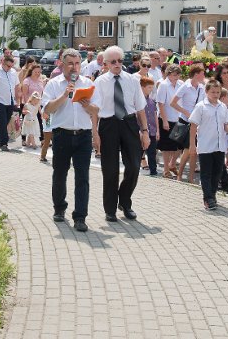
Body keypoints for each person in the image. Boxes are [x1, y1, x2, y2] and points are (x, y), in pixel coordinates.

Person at [42, 48, 99, 232]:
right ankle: (59, 208)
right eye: (70, 64)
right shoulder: (54, 83)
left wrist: (88, 106)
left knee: (83, 177)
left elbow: (97, 110)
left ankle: (80, 217)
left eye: (77, 64)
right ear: (62, 64)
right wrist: (65, 95)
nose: (74, 67)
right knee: (60, 174)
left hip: (83, 136)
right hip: (62, 135)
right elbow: (47, 109)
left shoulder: (88, 83)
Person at [90, 45, 149, 222]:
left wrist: (145, 131)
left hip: (129, 123)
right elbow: (95, 110)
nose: (117, 64)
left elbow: (140, 108)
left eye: (120, 61)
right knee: (110, 169)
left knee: (134, 166)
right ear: (106, 63)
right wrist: (95, 133)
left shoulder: (132, 80)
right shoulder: (100, 82)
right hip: (108, 125)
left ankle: (124, 201)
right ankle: (110, 209)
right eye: (113, 61)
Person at [189, 79, 228, 210]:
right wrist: (192, 144)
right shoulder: (201, 107)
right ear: (207, 92)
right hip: (206, 145)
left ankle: (212, 195)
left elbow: (225, 124)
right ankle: (207, 198)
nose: (215, 94)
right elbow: (193, 126)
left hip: (219, 146)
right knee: (206, 173)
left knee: (217, 172)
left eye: (218, 92)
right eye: (213, 92)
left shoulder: (222, 107)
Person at [170, 65, 206, 182]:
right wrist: (186, 112)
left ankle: (189, 177)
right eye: (202, 73)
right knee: (185, 149)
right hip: (185, 121)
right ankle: (179, 174)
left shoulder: (201, 87)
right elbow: (173, 103)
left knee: (191, 151)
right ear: (196, 74)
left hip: (195, 123)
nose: (204, 76)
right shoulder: (185, 86)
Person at [155, 64, 183, 178]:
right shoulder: (163, 85)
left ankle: (172, 164)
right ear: (169, 74)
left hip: (178, 118)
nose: (177, 77)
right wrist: (165, 121)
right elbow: (160, 104)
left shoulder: (180, 84)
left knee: (177, 145)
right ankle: (166, 169)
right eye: (174, 75)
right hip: (167, 118)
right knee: (166, 146)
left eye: (178, 74)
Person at [140, 77, 159, 176]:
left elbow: (155, 116)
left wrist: (157, 130)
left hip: (152, 130)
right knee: (139, 151)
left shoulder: (152, 101)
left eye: (152, 87)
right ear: (142, 87)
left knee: (152, 153)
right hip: (141, 131)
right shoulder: (137, 100)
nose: (151, 89)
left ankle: (153, 171)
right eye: (149, 87)